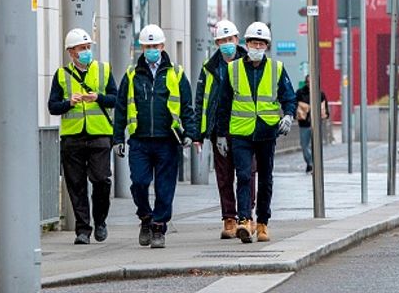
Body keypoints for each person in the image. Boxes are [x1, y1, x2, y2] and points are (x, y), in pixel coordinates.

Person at [112, 24, 196, 249]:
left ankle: (158, 226)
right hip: (139, 140)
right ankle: (145, 217)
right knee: (139, 182)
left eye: (155, 45)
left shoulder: (175, 73)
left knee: (165, 187)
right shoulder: (132, 74)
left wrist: (190, 133)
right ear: (141, 47)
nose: (152, 49)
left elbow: (187, 106)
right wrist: (117, 138)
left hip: (167, 139)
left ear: (162, 46)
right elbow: (121, 108)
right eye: (148, 46)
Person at [216, 22, 297, 243]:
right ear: (247, 43)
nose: (257, 46)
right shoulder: (233, 69)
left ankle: (262, 223)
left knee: (266, 180)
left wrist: (288, 115)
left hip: (266, 133)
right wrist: (221, 134)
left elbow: (289, 97)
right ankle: (244, 220)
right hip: (240, 133)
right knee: (242, 176)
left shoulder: (276, 68)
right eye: (253, 42)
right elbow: (223, 104)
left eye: (261, 43)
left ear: (267, 46)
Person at [48, 28, 117, 245]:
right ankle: (83, 230)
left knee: (101, 180)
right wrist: (69, 102)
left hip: (100, 134)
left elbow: (116, 99)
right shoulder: (61, 75)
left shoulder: (104, 70)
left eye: (88, 47)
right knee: (76, 185)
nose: (86, 51)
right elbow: (52, 106)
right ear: (71, 52)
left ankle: (101, 221)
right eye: (82, 48)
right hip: (73, 137)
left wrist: (98, 97)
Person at [193, 19, 256, 239]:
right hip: (219, 129)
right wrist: (199, 134)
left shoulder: (250, 62)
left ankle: (245, 216)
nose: (227, 43)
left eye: (230, 39)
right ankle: (229, 218)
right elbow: (201, 101)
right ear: (216, 42)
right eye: (222, 40)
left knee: (247, 173)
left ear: (237, 40)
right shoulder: (210, 68)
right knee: (224, 176)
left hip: (246, 128)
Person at [295, 74, 329, 174]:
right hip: (304, 123)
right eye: (308, 82)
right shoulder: (300, 93)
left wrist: (326, 115)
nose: (310, 84)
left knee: (316, 145)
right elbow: (294, 104)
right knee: (305, 145)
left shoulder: (320, 94)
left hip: (317, 124)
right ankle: (310, 163)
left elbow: (324, 106)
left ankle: (312, 165)